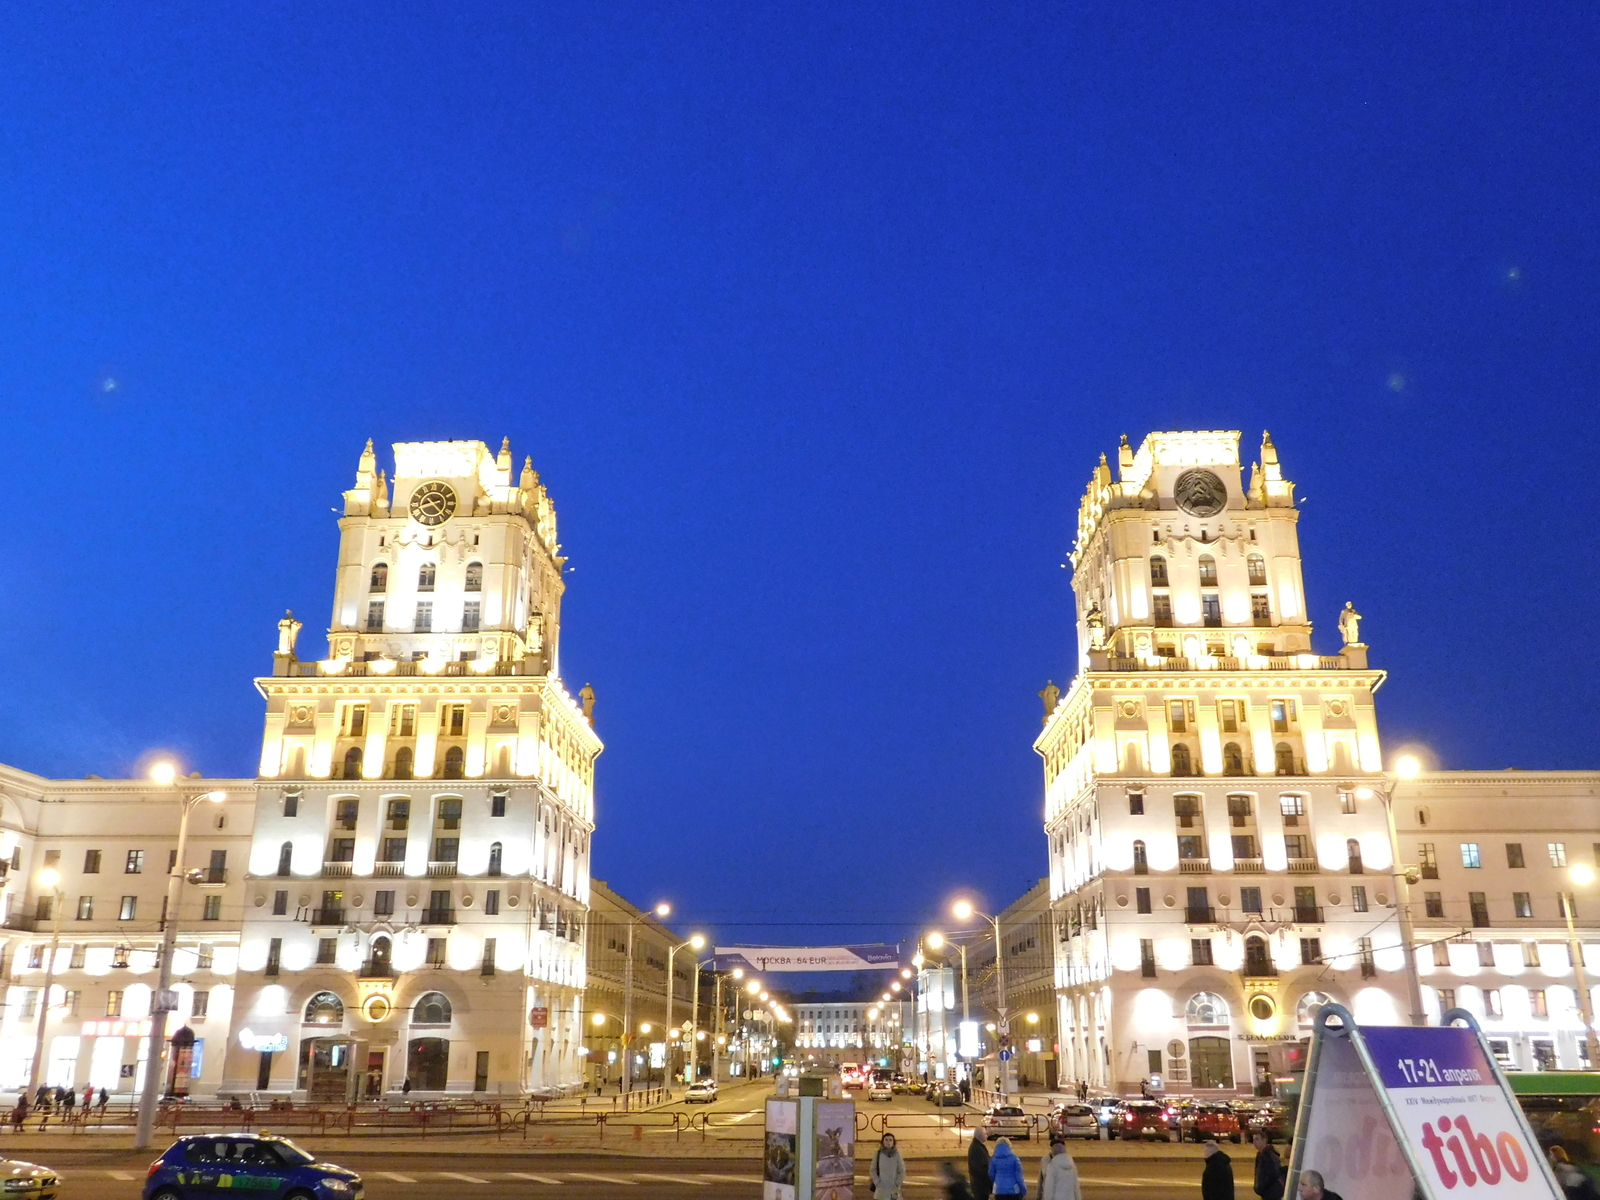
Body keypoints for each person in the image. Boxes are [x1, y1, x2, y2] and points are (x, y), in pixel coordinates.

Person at [871, 1132, 906, 1200]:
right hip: (881, 1188)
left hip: (893, 1189)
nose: (888, 1142)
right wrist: (877, 1182)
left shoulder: (897, 1154)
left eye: (890, 1140)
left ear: (893, 1142)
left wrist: (897, 1183)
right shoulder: (878, 1154)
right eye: (886, 1140)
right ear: (882, 1142)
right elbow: (873, 1169)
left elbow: (902, 1170)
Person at [1251, 1131, 1284, 1200]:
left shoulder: (1267, 1154)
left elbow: (1273, 1173)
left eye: (1257, 1139)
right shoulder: (1261, 1154)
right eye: (1253, 1139)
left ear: (1264, 1140)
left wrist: (1262, 1187)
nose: (1255, 1142)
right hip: (1269, 1192)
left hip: (1271, 1192)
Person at [967, 1129, 993, 1200]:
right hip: (980, 1185)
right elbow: (980, 1168)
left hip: (980, 1185)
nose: (987, 1136)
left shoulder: (978, 1146)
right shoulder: (977, 1149)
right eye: (985, 1134)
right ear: (980, 1136)